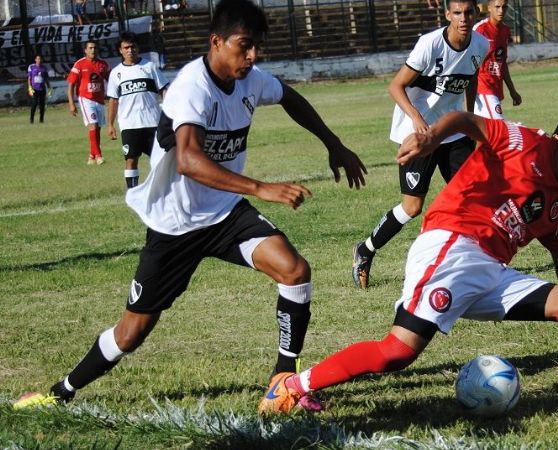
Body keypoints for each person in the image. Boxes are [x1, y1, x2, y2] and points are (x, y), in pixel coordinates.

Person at [13, 0, 366, 410]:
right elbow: (189, 159)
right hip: (175, 224)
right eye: (244, 46)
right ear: (216, 42)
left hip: (225, 213)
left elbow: (290, 96)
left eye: (257, 48)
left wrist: (333, 143)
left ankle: (282, 382)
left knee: (295, 270)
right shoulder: (191, 86)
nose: (252, 57)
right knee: (132, 332)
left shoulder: (249, 78)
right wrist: (260, 187)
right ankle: (61, 393)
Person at [259, 111, 558, 414]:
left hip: (491, 271)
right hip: (453, 247)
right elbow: (465, 121)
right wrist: (430, 137)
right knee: (396, 353)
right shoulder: (524, 142)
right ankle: (290, 387)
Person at [351, 0, 489, 289]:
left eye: (469, 12)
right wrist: (415, 119)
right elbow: (395, 85)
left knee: (473, 198)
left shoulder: (481, 44)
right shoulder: (430, 44)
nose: (464, 18)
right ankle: (365, 250)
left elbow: (471, 79)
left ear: (477, 13)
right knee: (412, 207)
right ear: (448, 14)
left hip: (452, 132)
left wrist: (471, 121)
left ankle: (469, 266)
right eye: (458, 13)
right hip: (418, 136)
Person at [106, 32, 169, 188]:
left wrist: (169, 114)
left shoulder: (149, 67)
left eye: (133, 46)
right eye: (126, 47)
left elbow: (164, 90)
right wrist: (110, 124)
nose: (130, 50)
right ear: (120, 50)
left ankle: (161, 189)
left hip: (153, 122)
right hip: (129, 124)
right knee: (131, 159)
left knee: (160, 159)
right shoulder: (116, 73)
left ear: (138, 48)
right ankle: (132, 191)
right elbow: (113, 100)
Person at [473, 0, 522, 119]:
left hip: (496, 88)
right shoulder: (480, 30)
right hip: (482, 88)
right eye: (497, 7)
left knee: (486, 133)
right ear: (489, 8)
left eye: (504, 7)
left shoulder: (505, 30)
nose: (501, 10)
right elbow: (469, 60)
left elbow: (502, 63)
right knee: (499, 128)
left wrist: (512, 91)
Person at [67, 40, 110, 165]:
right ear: (85, 50)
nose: (93, 50)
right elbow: (71, 84)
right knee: (93, 125)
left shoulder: (103, 65)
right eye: (90, 48)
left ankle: (91, 155)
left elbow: (111, 80)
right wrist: (71, 103)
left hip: (100, 100)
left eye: (95, 48)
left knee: (97, 129)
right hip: (85, 99)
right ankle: (99, 156)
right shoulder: (79, 64)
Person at [27, 55, 51, 124]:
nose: (39, 60)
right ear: (35, 60)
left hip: (42, 89)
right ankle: (31, 120)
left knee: (42, 106)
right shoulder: (31, 67)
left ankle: (41, 120)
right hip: (34, 89)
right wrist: (29, 87)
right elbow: (29, 78)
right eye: (38, 59)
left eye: (40, 59)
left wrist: (49, 87)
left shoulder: (44, 68)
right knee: (34, 104)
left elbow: (46, 79)